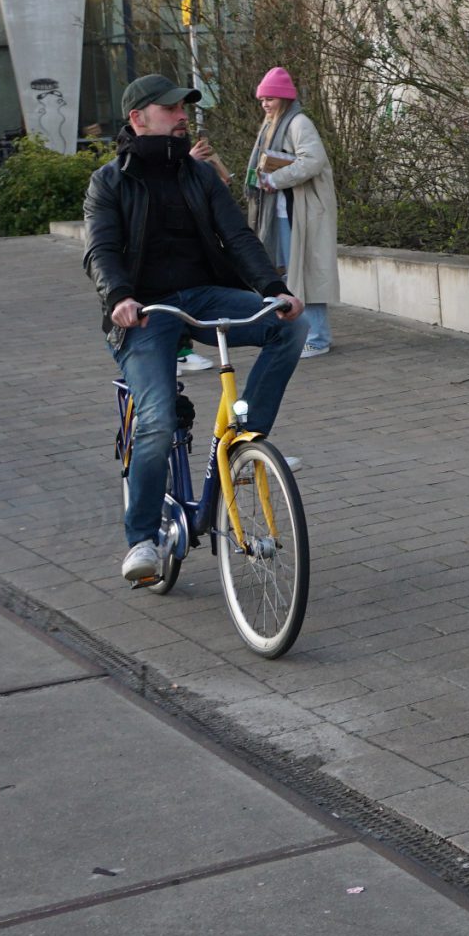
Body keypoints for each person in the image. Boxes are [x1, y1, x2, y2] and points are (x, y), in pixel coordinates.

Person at [83, 74, 306, 584]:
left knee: (291, 327)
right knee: (158, 421)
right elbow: (101, 250)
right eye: (171, 109)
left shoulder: (199, 176)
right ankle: (141, 538)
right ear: (138, 118)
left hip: (203, 295)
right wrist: (119, 298)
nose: (183, 116)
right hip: (145, 312)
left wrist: (273, 290)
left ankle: (246, 441)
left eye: (184, 108)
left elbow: (238, 236)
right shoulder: (109, 181)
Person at [197, 67, 337, 357]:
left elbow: (312, 161)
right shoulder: (272, 124)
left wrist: (274, 179)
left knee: (304, 275)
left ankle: (318, 337)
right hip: (283, 214)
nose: (264, 104)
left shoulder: (298, 123)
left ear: (283, 98)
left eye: (270, 98)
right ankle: (304, 333)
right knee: (290, 275)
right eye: (262, 99)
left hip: (300, 214)